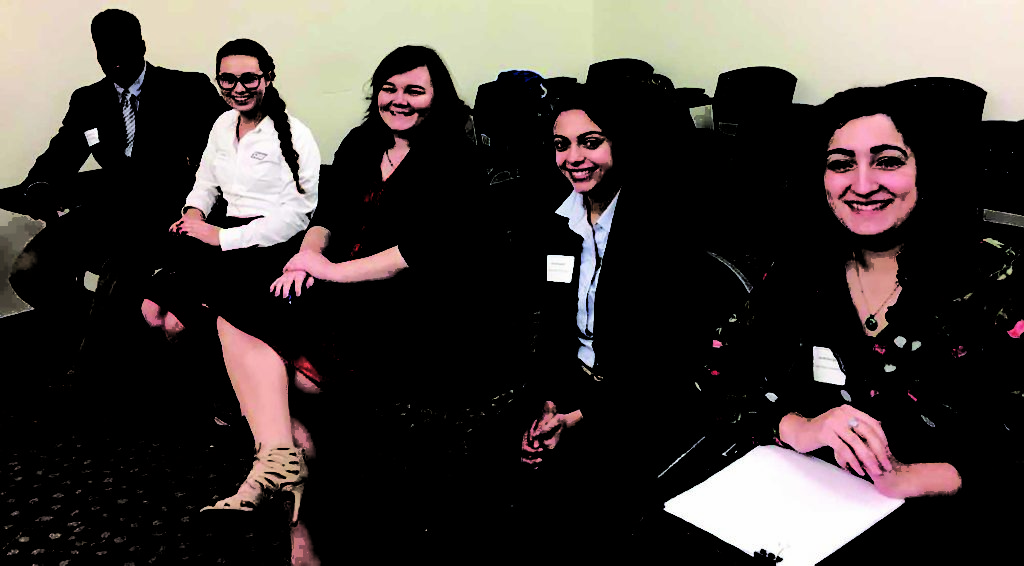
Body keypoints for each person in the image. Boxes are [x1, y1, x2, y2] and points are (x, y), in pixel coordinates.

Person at [200, 45, 510, 561]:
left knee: (283, 381)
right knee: (234, 312)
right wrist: (307, 255)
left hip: (413, 309)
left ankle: (297, 522)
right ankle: (281, 469)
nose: (399, 100)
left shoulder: (457, 158)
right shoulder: (361, 143)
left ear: (437, 98)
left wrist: (331, 271)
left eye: (414, 90)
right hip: (340, 291)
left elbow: (420, 252)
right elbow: (327, 216)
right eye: (389, 88)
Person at [707, 86, 1023, 561]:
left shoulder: (993, 276)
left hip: (953, 520)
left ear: (925, 169)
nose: (862, 183)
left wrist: (930, 476)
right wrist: (798, 427)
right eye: (840, 164)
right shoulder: (803, 268)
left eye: (888, 161)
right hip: (809, 508)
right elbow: (719, 374)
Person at [516, 83, 718, 558]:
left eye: (591, 142)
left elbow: (666, 354)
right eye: (561, 144)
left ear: (619, 144)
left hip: (644, 395)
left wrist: (579, 418)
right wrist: (548, 404)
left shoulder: (661, 225)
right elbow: (554, 326)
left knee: (597, 506)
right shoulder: (558, 221)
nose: (573, 158)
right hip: (577, 383)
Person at [6, 9, 225, 337]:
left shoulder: (186, 87)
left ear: (142, 46)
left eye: (123, 47)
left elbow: (230, 147)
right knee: (29, 273)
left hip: (168, 211)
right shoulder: (87, 100)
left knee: (119, 273)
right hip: (108, 209)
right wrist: (38, 185)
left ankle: (103, 347)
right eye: (104, 50)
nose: (114, 59)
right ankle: (118, 329)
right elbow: (61, 153)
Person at [140, 38, 319, 342]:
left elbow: (297, 217)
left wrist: (222, 237)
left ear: (268, 78)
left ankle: (217, 363)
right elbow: (205, 182)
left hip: (267, 246)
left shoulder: (296, 135)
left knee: (175, 323)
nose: (238, 88)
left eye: (249, 78)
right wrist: (194, 214)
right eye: (227, 79)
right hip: (222, 235)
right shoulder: (223, 124)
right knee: (150, 311)